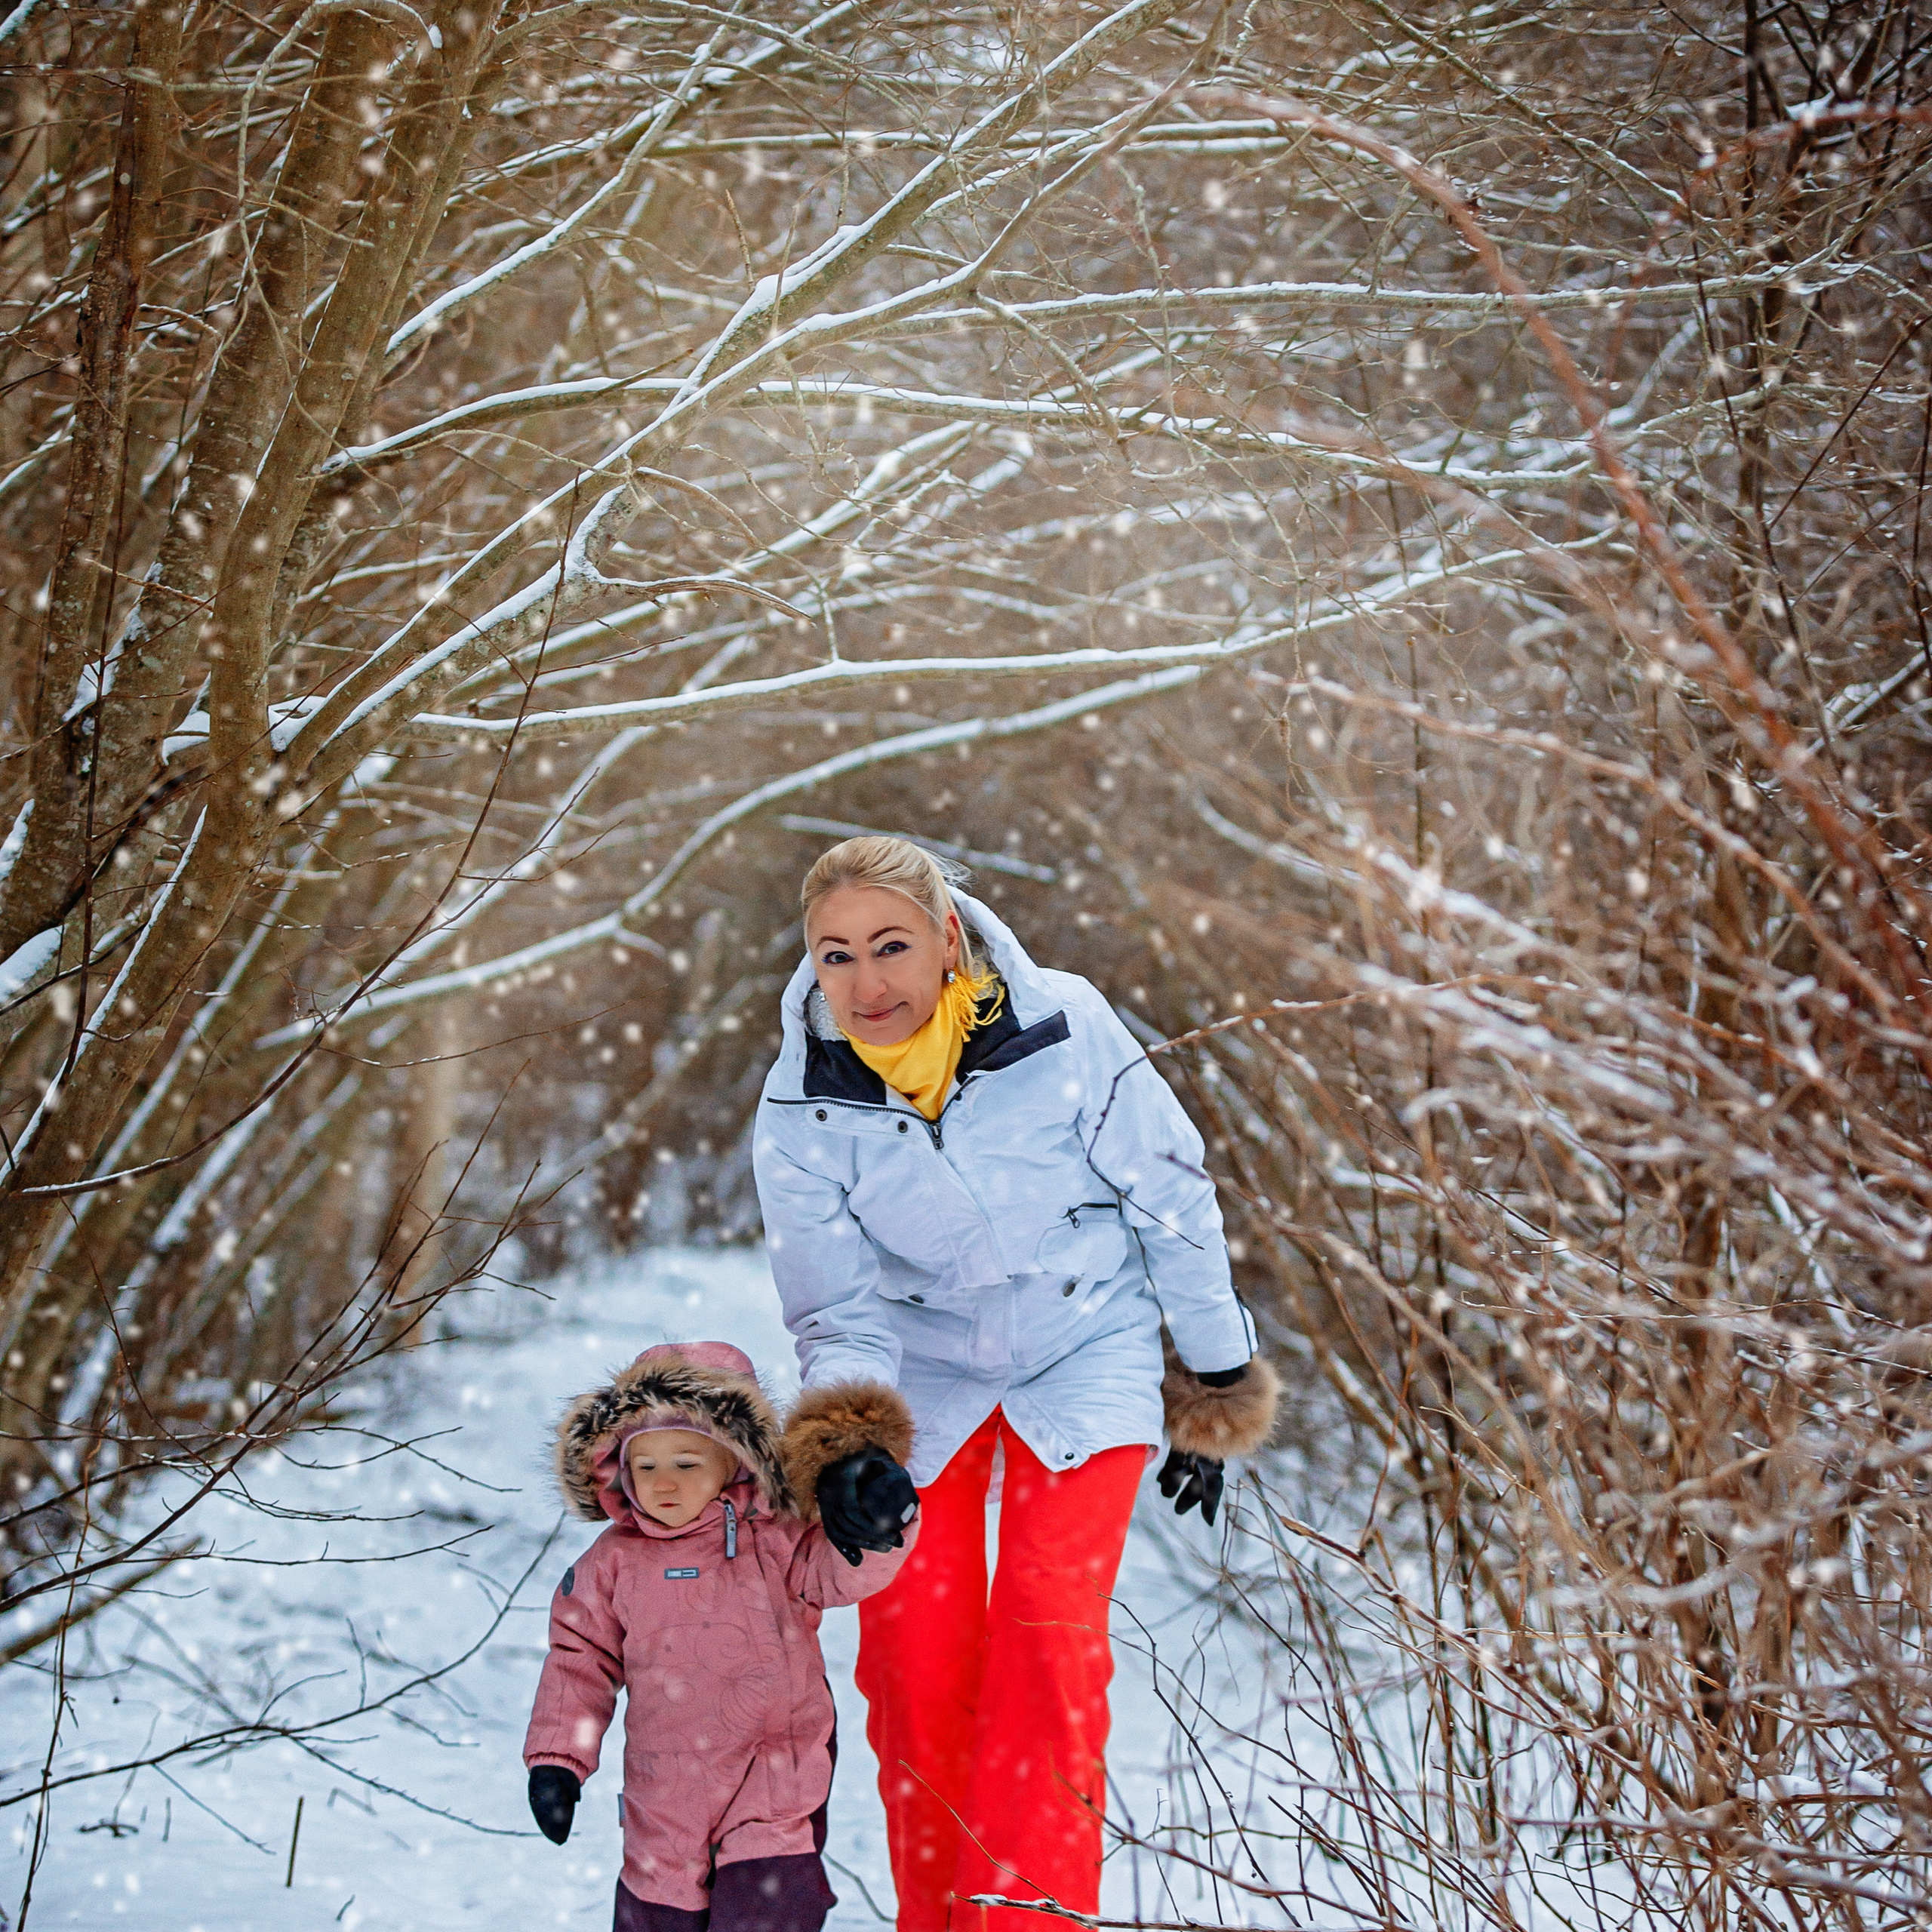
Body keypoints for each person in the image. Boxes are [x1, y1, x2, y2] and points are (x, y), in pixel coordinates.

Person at [752, 837, 1278, 1932]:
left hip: (1085, 1345)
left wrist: (1215, 1368)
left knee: (1046, 1650)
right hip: (924, 1369)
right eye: (837, 955)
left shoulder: (1066, 1028)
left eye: (892, 946)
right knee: (911, 1667)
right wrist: (848, 1441)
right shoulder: (802, 1106)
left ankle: (1029, 1919)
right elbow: (836, 1303)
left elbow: (1172, 1198)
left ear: (950, 938)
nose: (868, 982)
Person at [523, 1339, 918, 1932]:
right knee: (660, 1912)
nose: (664, 1484)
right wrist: (558, 1761)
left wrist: (883, 1521)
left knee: (767, 1911)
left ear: (734, 1462)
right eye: (645, 1466)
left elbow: (844, 1573)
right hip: (665, 1792)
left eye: (686, 1464)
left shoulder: (779, 1536)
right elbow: (580, 1662)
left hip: (775, 1781)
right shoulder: (610, 1565)